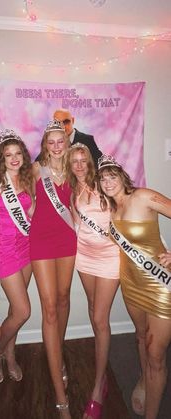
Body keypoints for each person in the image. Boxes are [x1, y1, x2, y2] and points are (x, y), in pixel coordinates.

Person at [98, 154, 171, 419]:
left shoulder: (142, 196)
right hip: (130, 284)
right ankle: (144, 378)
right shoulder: (112, 210)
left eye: (112, 175)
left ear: (122, 177)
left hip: (161, 285)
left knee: (156, 354)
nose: (107, 182)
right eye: (103, 178)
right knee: (140, 336)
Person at [66, 144, 119, 419]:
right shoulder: (72, 190)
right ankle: (102, 353)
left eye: (82, 159)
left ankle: (99, 385)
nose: (78, 164)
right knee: (92, 308)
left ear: (90, 161)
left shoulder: (106, 183)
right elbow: (76, 225)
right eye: (73, 160)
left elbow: (126, 212)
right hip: (84, 256)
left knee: (100, 318)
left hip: (110, 256)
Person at [29, 120, 77, 419]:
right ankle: (61, 397)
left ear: (67, 142)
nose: (57, 146)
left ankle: (56, 354)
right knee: (48, 307)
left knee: (62, 298)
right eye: (52, 141)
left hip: (67, 238)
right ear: (45, 143)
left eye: (61, 141)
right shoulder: (35, 170)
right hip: (41, 239)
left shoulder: (74, 168)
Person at [0, 129, 34, 383]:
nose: (14, 158)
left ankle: (11, 354)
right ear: (1, 158)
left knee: (16, 310)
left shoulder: (28, 180)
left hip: (26, 247)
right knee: (23, 311)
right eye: (9, 155)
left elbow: (33, 213)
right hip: (4, 249)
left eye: (18, 153)